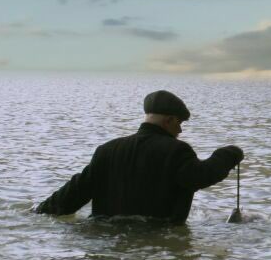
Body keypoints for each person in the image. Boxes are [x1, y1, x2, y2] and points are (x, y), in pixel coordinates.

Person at [34, 90, 244, 223]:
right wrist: (229, 153)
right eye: (180, 123)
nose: (180, 130)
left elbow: (75, 192)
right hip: (155, 235)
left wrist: (40, 211)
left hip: (105, 235)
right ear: (169, 120)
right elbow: (200, 176)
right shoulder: (176, 151)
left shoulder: (107, 149)